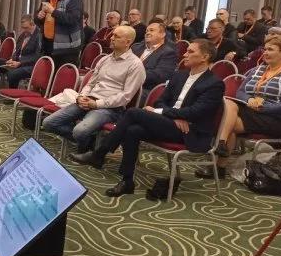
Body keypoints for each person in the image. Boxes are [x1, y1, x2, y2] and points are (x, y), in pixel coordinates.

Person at [71, 39, 224, 197]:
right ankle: (127, 181)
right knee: (132, 130)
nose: (185, 54)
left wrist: (164, 112)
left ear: (205, 57)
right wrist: (172, 114)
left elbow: (195, 112)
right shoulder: (180, 75)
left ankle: (99, 153)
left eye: (191, 52)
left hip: (189, 131)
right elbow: (160, 101)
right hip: (171, 123)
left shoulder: (214, 84)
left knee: (133, 113)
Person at [200, 33, 281, 179]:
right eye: (265, 49)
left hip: (276, 119)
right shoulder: (257, 70)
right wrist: (249, 100)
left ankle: (220, 154)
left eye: (270, 49)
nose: (265, 52)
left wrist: (264, 107)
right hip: (251, 112)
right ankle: (220, 158)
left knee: (227, 117)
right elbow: (240, 92)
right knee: (229, 108)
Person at [42, 26, 145, 154]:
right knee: (48, 123)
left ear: (128, 42)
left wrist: (96, 104)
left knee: (79, 131)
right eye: (112, 35)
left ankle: (85, 139)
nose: (111, 38)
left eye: (116, 36)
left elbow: (125, 97)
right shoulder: (104, 59)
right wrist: (81, 96)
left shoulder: (135, 65)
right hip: (88, 100)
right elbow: (90, 83)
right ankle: (89, 141)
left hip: (110, 108)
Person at [0, 14, 42, 100]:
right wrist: (12, 59)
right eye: (23, 28)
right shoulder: (23, 34)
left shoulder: (39, 35)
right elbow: (17, 51)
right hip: (16, 62)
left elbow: (37, 56)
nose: (24, 30)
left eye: (26, 28)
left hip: (29, 65)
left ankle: (12, 97)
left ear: (32, 24)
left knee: (12, 73)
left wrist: (20, 62)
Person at [35, 0, 83, 67]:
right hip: (47, 45)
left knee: (63, 76)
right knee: (49, 75)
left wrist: (53, 12)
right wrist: (39, 16)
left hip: (67, 49)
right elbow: (37, 20)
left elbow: (73, 19)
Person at [131, 21, 177, 95]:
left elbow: (159, 76)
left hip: (145, 89)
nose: (147, 33)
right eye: (146, 31)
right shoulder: (135, 47)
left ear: (162, 34)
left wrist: (132, 74)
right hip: (126, 83)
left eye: (151, 30)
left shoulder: (168, 53)